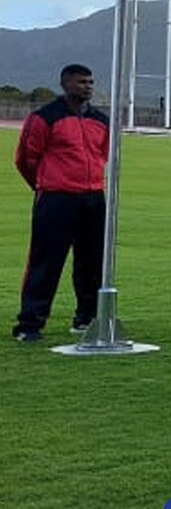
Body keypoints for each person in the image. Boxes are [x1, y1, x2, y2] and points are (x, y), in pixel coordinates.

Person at [13, 64, 109, 342]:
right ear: (65, 84)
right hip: (57, 198)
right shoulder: (45, 118)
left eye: (90, 82)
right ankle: (30, 323)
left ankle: (86, 318)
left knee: (92, 262)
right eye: (81, 82)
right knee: (46, 261)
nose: (87, 87)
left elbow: (103, 155)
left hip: (93, 197)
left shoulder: (101, 120)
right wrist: (46, 184)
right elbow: (26, 158)